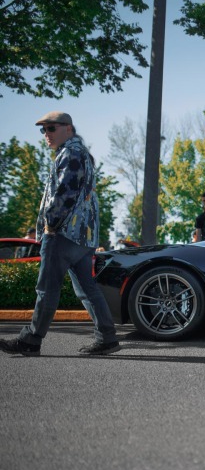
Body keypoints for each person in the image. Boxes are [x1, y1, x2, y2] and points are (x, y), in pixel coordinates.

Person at [1, 111, 119, 357]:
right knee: (88, 289)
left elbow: (65, 193)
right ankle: (107, 338)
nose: (46, 134)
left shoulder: (71, 154)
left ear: (68, 128)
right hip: (82, 237)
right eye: (43, 130)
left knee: (47, 289)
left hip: (63, 233)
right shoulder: (80, 154)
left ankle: (31, 340)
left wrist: (50, 225)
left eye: (51, 128)